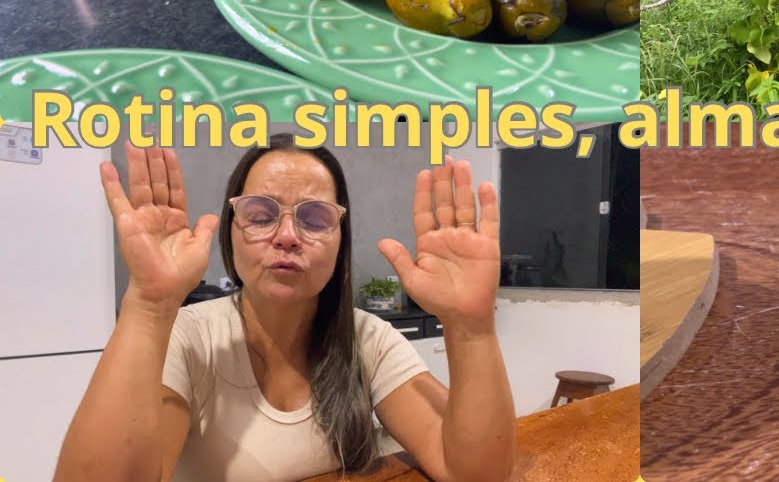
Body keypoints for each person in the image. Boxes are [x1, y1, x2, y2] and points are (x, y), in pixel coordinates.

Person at [53, 135, 515, 482]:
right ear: (231, 234)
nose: (288, 235)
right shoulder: (190, 336)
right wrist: (150, 305)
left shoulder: (366, 338)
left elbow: (472, 472)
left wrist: (470, 327)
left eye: (315, 218)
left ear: (340, 242)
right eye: (260, 214)